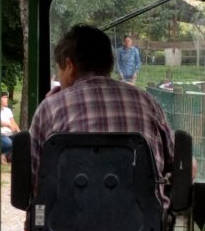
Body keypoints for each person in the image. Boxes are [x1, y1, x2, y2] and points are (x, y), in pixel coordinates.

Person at [29, 24, 175, 210]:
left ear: (70, 66)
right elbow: (178, 164)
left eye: (60, 71)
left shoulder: (49, 109)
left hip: (69, 230)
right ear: (110, 63)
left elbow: (33, 182)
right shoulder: (148, 103)